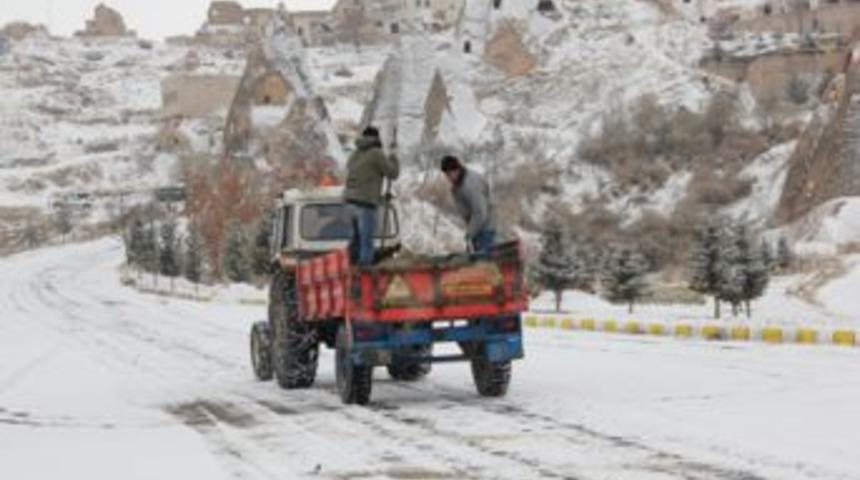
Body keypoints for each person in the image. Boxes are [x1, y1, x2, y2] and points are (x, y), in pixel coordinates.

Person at [344, 126, 399, 265]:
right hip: (364, 204)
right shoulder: (376, 153)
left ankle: (351, 263)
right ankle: (365, 270)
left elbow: (363, 179)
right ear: (376, 138)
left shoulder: (355, 154)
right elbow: (392, 173)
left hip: (350, 202)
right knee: (366, 240)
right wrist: (393, 156)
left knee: (356, 238)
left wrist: (379, 198)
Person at [440, 155, 496, 254]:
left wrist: (470, 233)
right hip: (475, 228)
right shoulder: (457, 186)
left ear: (456, 170)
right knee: (473, 257)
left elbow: (480, 212)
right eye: (446, 175)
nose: (448, 178)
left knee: (483, 262)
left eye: (450, 174)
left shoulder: (471, 184)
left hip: (485, 228)